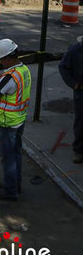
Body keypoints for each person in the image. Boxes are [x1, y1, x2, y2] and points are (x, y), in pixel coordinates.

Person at [0, 39, 31, 201]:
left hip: (6, 123)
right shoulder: (23, 70)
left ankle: (10, 191)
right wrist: (2, 75)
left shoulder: (9, 78)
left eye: (2, 60)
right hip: (19, 119)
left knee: (8, 157)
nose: (1, 63)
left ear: (8, 58)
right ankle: (15, 184)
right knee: (16, 154)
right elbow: (11, 78)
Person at [58, 36, 83, 164]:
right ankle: (79, 150)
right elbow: (63, 67)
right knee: (81, 121)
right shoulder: (75, 51)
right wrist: (74, 84)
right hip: (81, 93)